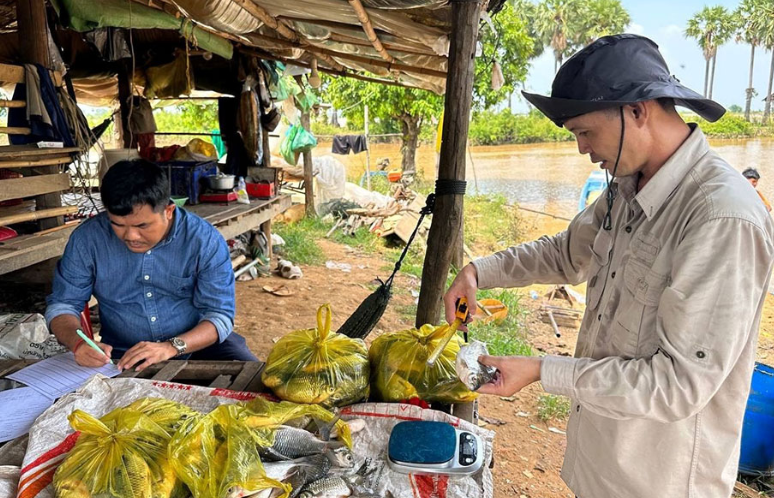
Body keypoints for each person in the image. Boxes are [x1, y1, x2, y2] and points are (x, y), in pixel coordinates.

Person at [444, 34, 774, 498]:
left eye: (585, 131)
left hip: (657, 480)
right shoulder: (628, 185)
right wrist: (480, 270)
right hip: (601, 460)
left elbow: (677, 386)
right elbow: (567, 253)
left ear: (637, 111)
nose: (581, 148)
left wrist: (543, 369)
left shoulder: (720, 216)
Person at [46, 159, 257, 371]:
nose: (130, 236)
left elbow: (219, 315)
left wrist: (171, 347)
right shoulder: (88, 239)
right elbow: (63, 305)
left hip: (197, 345)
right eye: (117, 225)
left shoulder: (203, 240)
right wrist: (79, 343)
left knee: (257, 380)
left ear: (168, 211)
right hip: (122, 353)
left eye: (142, 225)